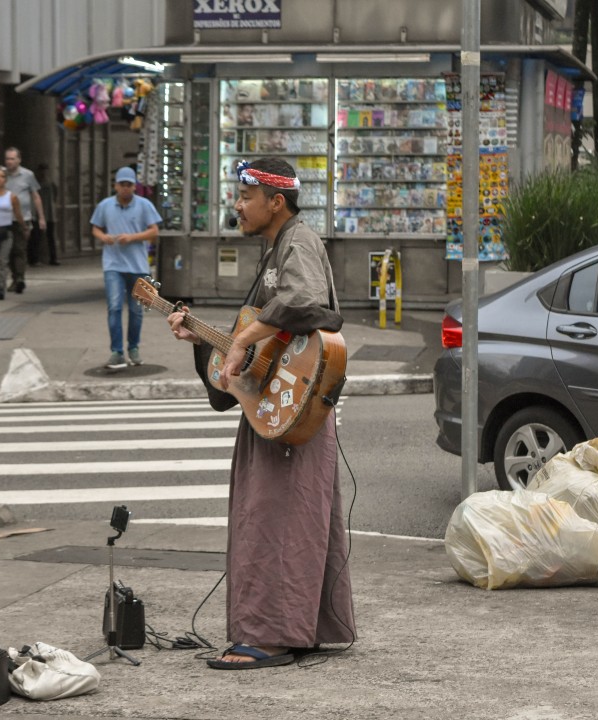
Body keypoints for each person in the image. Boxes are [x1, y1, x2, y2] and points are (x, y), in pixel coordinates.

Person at [167, 158, 355, 669]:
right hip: (278, 407)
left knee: (275, 523)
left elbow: (308, 301)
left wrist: (244, 338)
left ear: (276, 202)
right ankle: (302, 628)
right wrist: (201, 339)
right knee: (286, 519)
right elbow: (254, 355)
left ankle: (270, 637)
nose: (237, 205)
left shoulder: (298, 241)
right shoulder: (277, 247)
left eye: (245, 197)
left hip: (294, 408)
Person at [90, 166, 160, 370]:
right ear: (116, 186)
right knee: (114, 307)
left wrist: (132, 237)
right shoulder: (105, 205)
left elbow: (154, 231)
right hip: (113, 265)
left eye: (129, 185)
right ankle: (117, 352)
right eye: (122, 184)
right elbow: (95, 227)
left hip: (138, 266)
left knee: (137, 310)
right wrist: (102, 237)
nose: (126, 188)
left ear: (134, 187)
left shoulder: (144, 205)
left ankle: (134, 348)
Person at [4, 147, 46, 293]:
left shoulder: (28, 175)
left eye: (12, 159)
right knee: (8, 251)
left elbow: (35, 196)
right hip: (4, 218)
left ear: (19, 160)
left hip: (23, 219)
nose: (9, 162)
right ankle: (15, 276)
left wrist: (41, 217)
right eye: (7, 159)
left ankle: (19, 278)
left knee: (19, 249)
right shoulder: (1, 175)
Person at [0, 166, 24, 301]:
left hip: (6, 231)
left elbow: (18, 215)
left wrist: (24, 227)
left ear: (6, 180)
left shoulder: (11, 197)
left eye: (2, 177)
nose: (0, 179)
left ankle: (1, 287)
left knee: (2, 261)